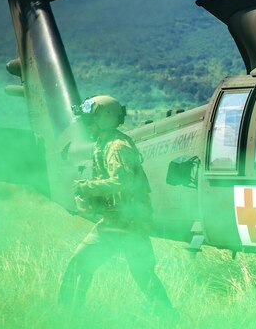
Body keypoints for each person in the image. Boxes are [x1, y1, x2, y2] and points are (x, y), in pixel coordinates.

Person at [58, 95, 175, 316]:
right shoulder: (105, 142)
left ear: (104, 119)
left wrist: (86, 187)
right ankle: (168, 317)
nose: (85, 125)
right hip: (120, 221)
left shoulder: (116, 147)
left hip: (125, 223)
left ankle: (67, 317)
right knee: (141, 274)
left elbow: (122, 182)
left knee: (83, 265)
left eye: (89, 120)